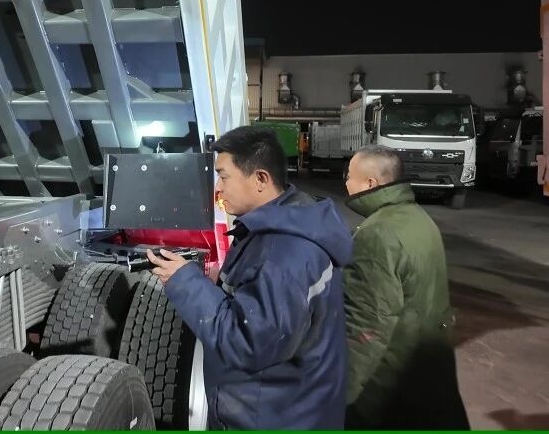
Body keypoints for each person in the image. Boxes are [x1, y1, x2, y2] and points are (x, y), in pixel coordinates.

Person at [146, 125, 353, 430]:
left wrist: (185, 280)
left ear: (260, 179)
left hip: (274, 418)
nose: (218, 188)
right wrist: (218, 286)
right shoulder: (286, 225)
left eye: (224, 176)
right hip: (289, 406)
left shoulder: (285, 253)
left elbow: (248, 343)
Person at [342, 145, 470, 430]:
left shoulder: (376, 234)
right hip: (428, 365)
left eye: (349, 175)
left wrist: (343, 393)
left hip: (389, 381)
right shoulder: (419, 218)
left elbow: (368, 326)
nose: (346, 182)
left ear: (370, 183)